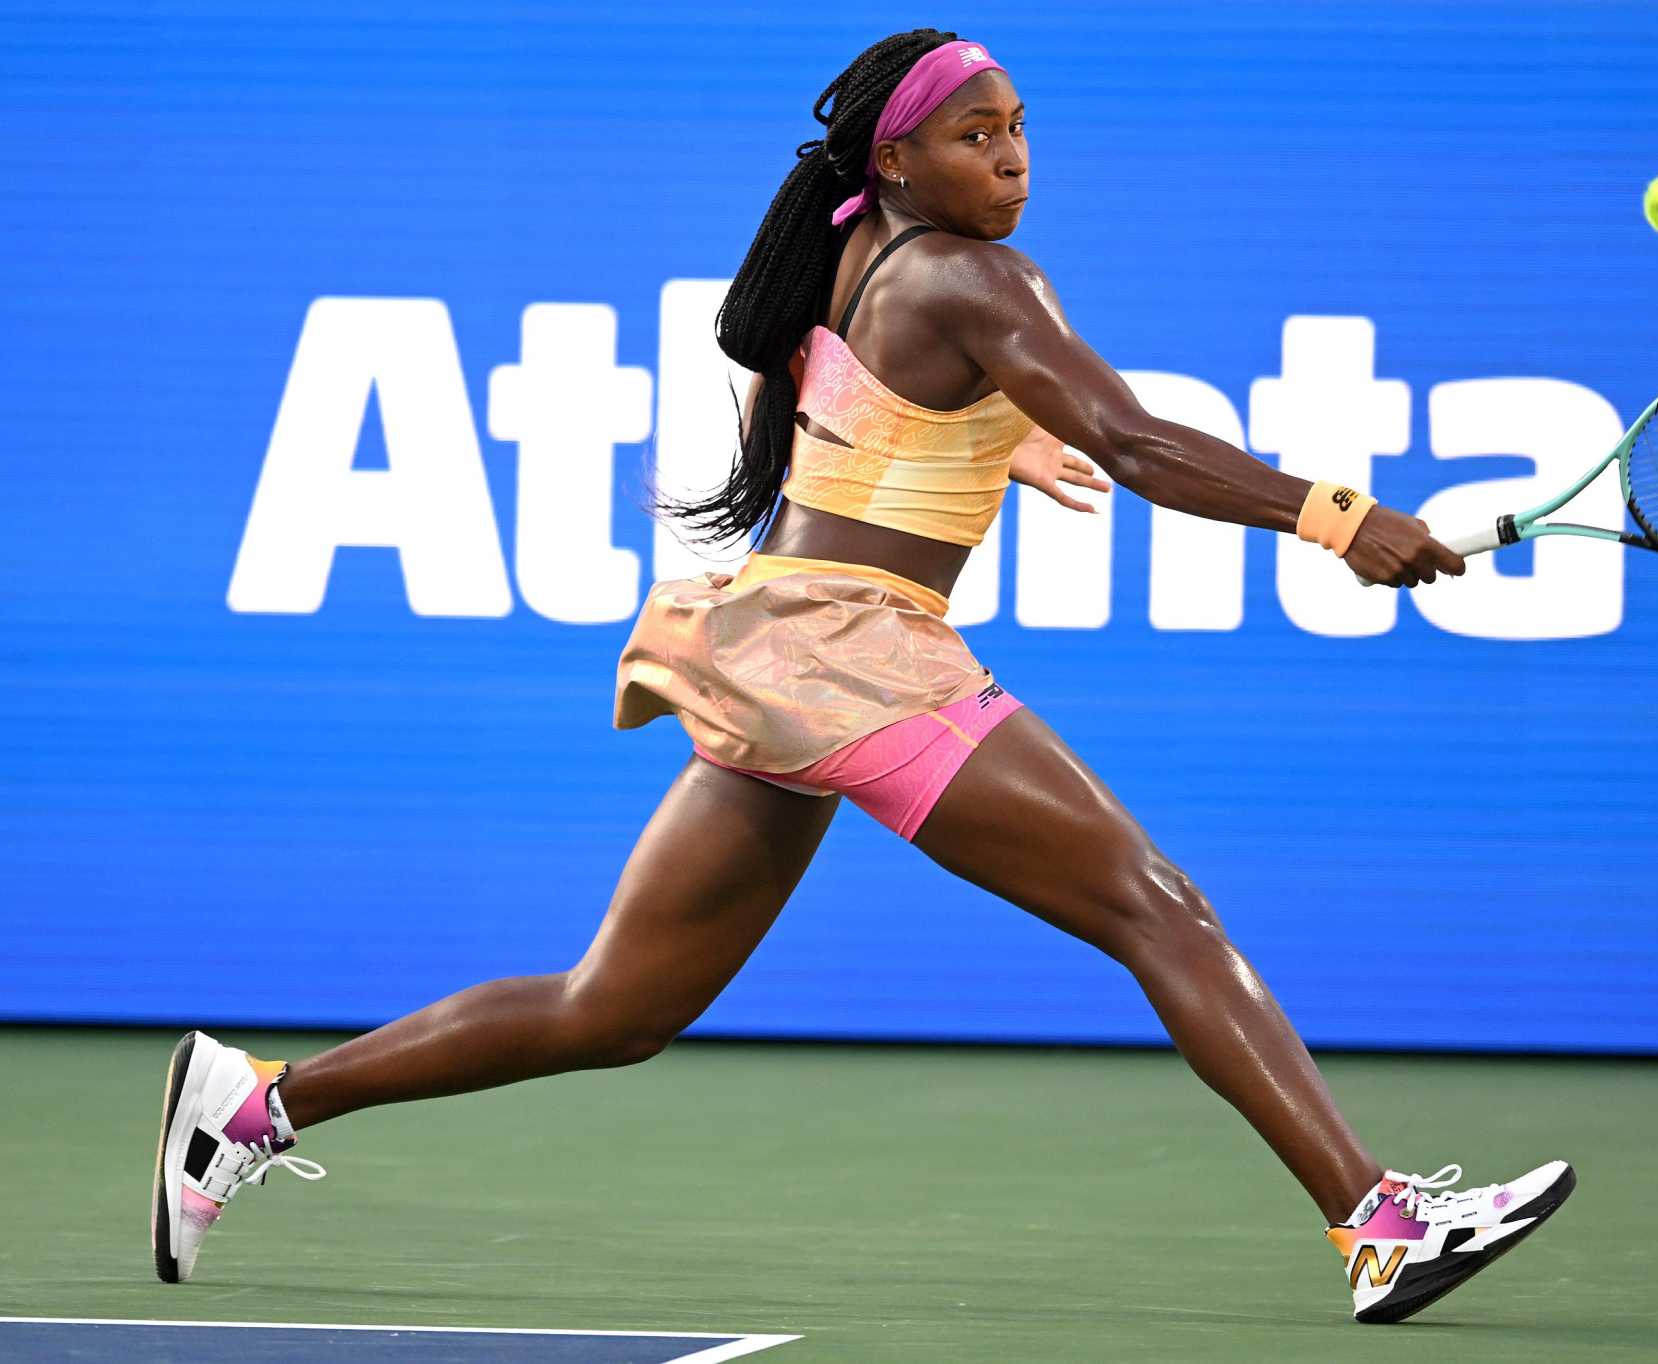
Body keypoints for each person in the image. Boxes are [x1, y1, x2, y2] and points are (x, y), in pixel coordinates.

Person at [152, 29, 1574, 1324]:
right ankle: (1376, 1222)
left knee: (615, 1009)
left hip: (776, 638)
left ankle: (256, 1106)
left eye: (1021, 125)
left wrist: (976, 434)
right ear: (897, 158)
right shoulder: (974, 277)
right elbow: (1141, 447)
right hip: (857, 655)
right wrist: (1340, 518)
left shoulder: (863, 251)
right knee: (1164, 914)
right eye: (975, 133)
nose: (1010, 152)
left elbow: (847, 392)